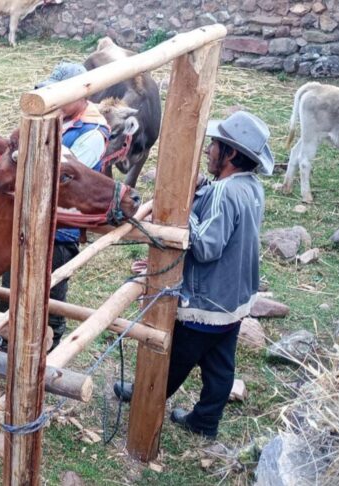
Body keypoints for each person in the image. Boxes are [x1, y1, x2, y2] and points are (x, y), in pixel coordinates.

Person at [114, 111, 274, 439]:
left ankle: (146, 394)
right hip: (234, 300)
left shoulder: (224, 193)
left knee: (172, 358)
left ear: (230, 154)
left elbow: (207, 248)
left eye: (215, 145)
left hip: (205, 303)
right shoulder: (250, 187)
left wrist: (184, 209)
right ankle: (205, 421)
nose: (209, 150)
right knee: (220, 366)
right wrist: (203, 190)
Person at [0, 62, 111, 352]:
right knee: (12, 281)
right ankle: (4, 338)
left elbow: (66, 174)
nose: (54, 97)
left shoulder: (93, 132)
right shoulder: (57, 119)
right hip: (29, 215)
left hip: (62, 224)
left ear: (82, 95)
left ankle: (53, 344)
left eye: (61, 93)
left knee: (51, 291)